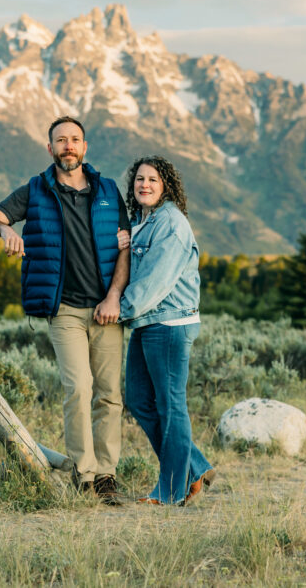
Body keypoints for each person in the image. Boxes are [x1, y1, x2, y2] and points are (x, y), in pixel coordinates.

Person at [0, 116, 130, 503]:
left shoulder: (109, 191)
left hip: (107, 311)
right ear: (50, 149)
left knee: (110, 394)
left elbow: (125, 249)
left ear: (85, 147)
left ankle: (107, 477)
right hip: (63, 309)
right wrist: (6, 230)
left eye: (75, 139)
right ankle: (84, 473)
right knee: (78, 388)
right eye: (60, 140)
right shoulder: (35, 190)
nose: (68, 146)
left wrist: (114, 297)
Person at [119, 156, 216, 506]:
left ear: (166, 186)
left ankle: (171, 491)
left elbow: (154, 283)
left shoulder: (172, 224)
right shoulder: (143, 221)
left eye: (153, 180)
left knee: (171, 406)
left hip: (170, 324)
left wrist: (118, 311)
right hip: (148, 322)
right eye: (140, 179)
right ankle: (196, 466)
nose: (144, 185)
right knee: (140, 400)